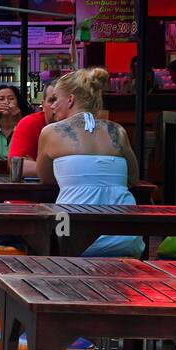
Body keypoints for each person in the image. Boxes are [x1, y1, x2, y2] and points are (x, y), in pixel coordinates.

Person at [37, 67, 143, 257]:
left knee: (40, 241)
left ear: (70, 100)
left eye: (55, 99)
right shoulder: (117, 131)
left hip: (73, 238)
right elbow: (133, 178)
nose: (52, 106)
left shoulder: (51, 132)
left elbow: (46, 178)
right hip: (127, 236)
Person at [7, 78, 62, 177]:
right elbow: (18, 166)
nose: (56, 106)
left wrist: (37, 166)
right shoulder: (30, 123)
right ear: (43, 105)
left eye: (60, 101)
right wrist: (69, 171)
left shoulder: (84, 125)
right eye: (52, 100)